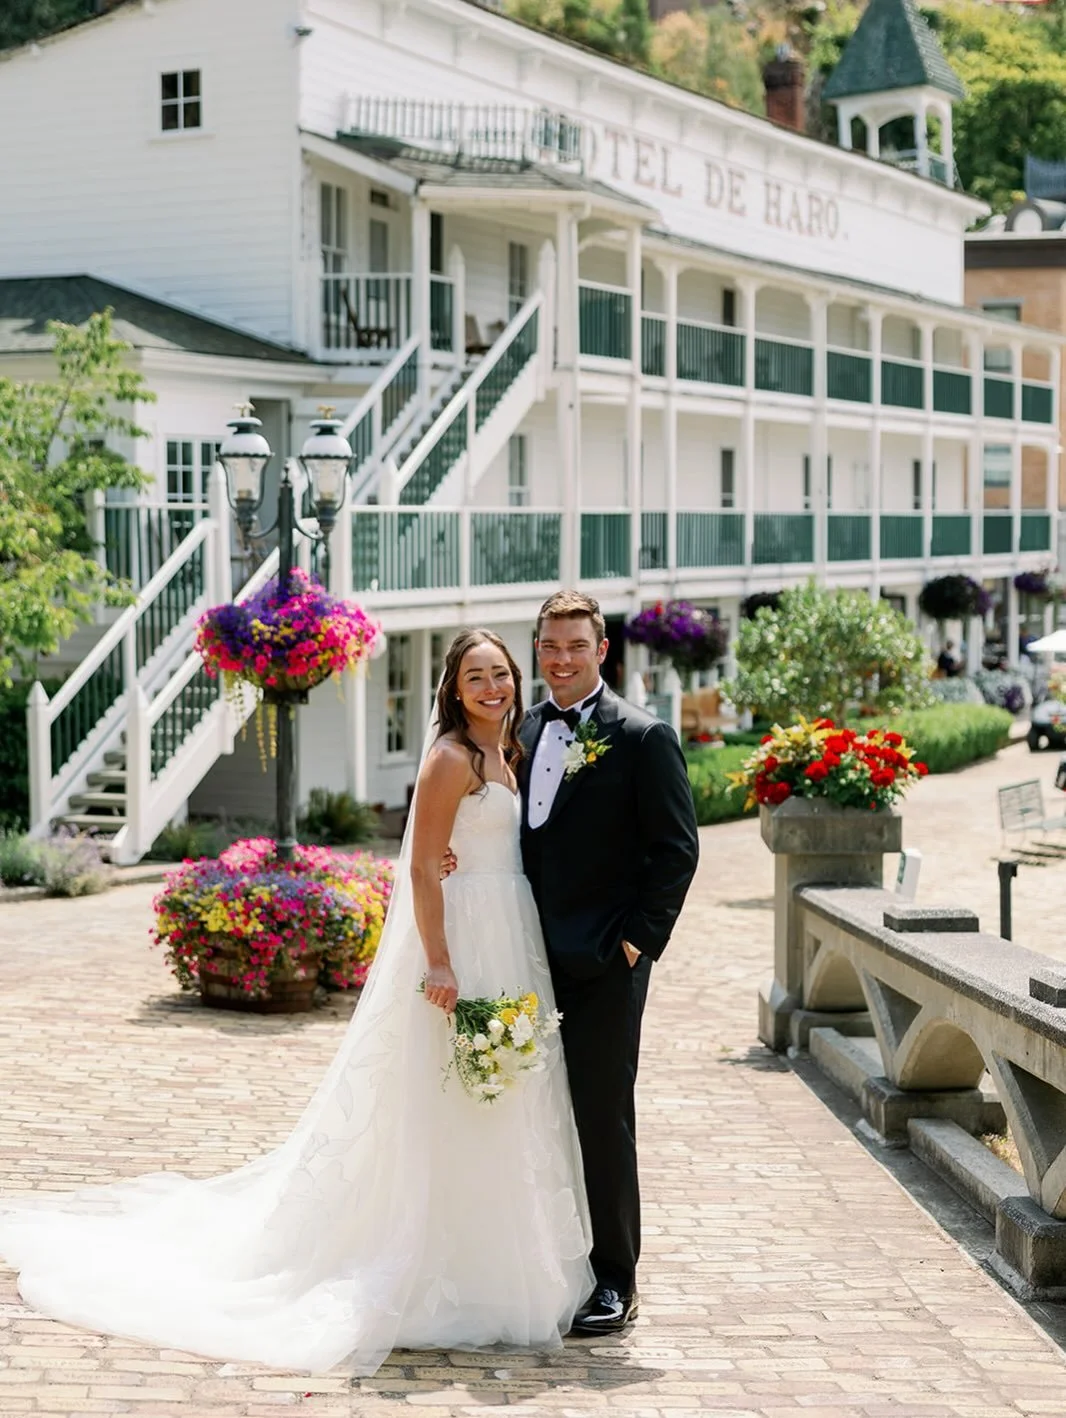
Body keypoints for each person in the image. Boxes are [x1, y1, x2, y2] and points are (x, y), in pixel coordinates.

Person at [0, 629, 593, 1374]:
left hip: (510, 932)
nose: (492, 687)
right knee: (447, 1093)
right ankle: (435, 1265)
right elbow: (420, 867)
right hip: (466, 938)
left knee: (501, 1095)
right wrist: (440, 959)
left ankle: (499, 1258)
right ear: (453, 688)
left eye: (500, 673)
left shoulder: (511, 751)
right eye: (475, 676)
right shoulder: (450, 757)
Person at [445, 590, 700, 1335]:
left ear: (601, 651)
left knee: (599, 1116)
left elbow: (677, 852)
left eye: (576, 646)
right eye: (550, 647)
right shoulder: (518, 730)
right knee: (526, 1113)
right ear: (538, 649)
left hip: (603, 964)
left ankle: (616, 1279)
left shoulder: (644, 737)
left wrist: (633, 944)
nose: (561, 659)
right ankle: (546, 1265)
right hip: (519, 954)